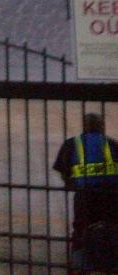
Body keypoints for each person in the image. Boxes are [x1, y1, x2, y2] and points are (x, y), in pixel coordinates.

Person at [52, 113, 118, 272]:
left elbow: (64, 172)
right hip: (110, 196)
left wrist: (72, 184)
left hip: (84, 196)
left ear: (84, 126)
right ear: (102, 127)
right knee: (112, 229)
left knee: (81, 230)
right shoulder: (111, 144)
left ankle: (79, 266)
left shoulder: (72, 144)